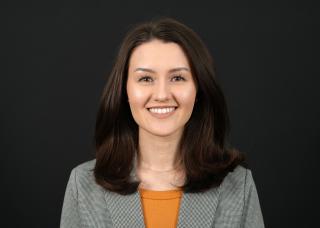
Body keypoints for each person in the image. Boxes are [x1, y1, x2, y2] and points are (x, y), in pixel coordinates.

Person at [60, 17, 265, 228]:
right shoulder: (83, 185)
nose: (161, 95)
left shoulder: (238, 185)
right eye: (146, 79)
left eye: (177, 78)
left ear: (199, 90)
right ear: (125, 90)